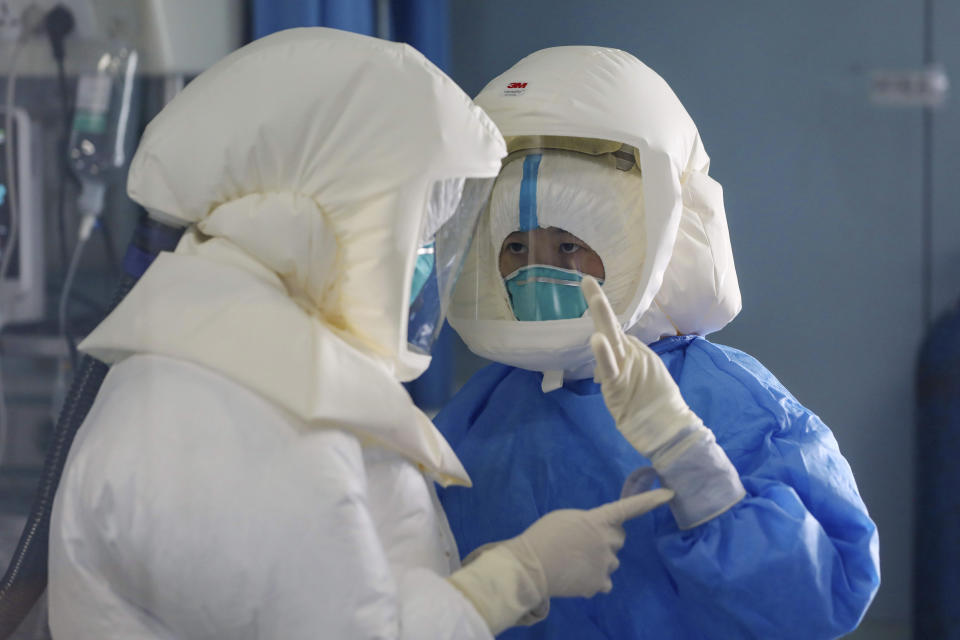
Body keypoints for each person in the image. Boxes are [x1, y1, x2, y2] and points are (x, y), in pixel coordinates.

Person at [46, 31, 674, 639]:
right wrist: (515, 578)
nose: (429, 262)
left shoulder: (250, 369)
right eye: (422, 235)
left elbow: (346, 590)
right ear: (352, 217)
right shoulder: (225, 416)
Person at [436, 46, 881, 639]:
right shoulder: (488, 403)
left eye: (568, 246)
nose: (534, 271)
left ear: (644, 246)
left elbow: (814, 603)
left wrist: (694, 467)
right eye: (515, 247)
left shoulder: (732, 404)